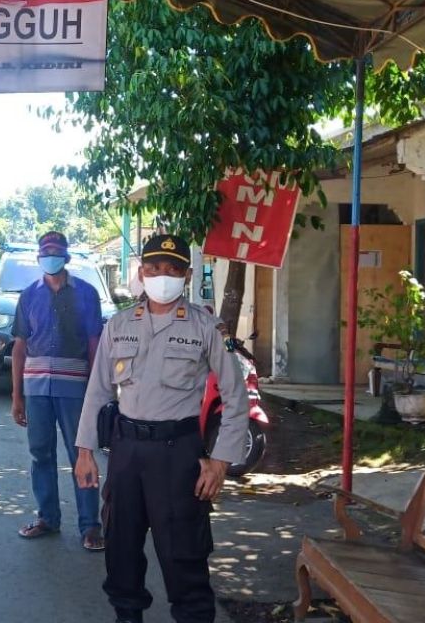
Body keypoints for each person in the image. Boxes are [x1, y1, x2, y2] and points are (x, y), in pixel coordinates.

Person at [74, 233, 249, 623]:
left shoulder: (205, 327)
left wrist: (220, 462)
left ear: (186, 275)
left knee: (183, 555)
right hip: (126, 452)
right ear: (142, 272)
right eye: (154, 268)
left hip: (178, 454)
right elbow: (98, 390)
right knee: (120, 549)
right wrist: (84, 451)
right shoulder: (119, 325)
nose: (162, 275)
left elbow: (236, 397)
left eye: (172, 269)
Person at [10, 231, 104, 549]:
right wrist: (16, 395)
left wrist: (96, 388)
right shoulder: (29, 295)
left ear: (66, 257)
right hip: (36, 387)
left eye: (56, 251)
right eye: (45, 251)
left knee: (82, 453)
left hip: (75, 387)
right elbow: (20, 346)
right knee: (40, 454)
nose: (50, 256)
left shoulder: (87, 294)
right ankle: (47, 518)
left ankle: (91, 526)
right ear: (38, 256)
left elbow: (94, 343)